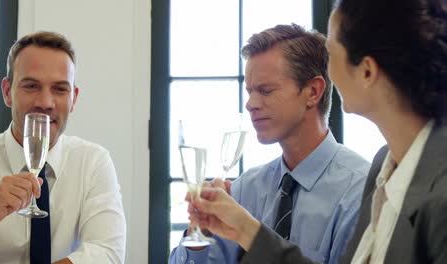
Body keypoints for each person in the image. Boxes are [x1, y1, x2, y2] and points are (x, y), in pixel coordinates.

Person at [191, 0, 447, 263]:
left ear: (368, 70)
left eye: (332, 51)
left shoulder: (433, 193)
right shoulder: (384, 167)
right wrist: (236, 229)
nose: (329, 70)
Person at [170, 24, 370, 264]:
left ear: (313, 91)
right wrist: (200, 231)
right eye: (250, 91)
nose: (251, 104)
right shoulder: (245, 190)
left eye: (265, 91)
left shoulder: (359, 193)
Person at [0, 32, 126, 264]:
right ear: (7, 92)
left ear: (74, 98)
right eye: (31, 86)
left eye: (60, 89)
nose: (45, 102)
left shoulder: (93, 162)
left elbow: (107, 252)